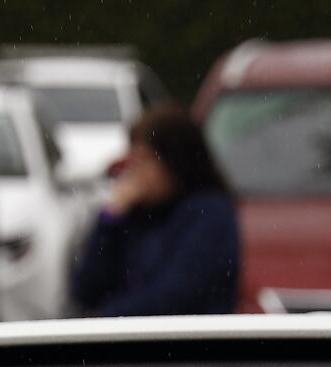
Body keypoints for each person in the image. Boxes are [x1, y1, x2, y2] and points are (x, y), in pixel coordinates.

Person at [70, 105, 240, 317]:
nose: (134, 172)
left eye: (144, 160)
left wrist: (105, 318)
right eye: (132, 161)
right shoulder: (133, 214)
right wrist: (109, 220)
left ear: (175, 162)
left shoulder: (210, 214)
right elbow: (84, 289)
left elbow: (176, 296)